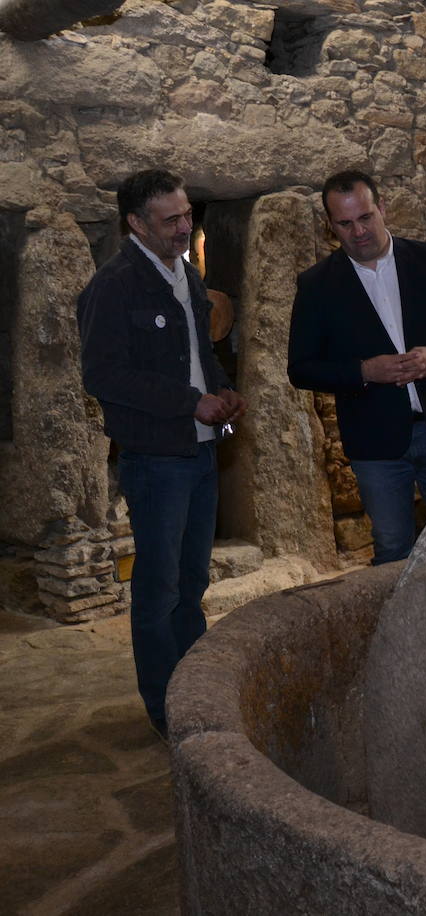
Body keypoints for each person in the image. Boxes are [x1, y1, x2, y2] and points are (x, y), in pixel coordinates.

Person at [77, 169, 248, 740]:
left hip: (200, 455)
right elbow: (103, 375)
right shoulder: (115, 285)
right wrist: (188, 403)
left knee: (193, 580)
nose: (185, 227)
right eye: (171, 219)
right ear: (135, 223)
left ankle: (195, 692)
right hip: (156, 460)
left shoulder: (186, 275)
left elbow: (203, 352)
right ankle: (164, 709)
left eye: (186, 215)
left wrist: (222, 390)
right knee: (160, 590)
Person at [288, 170, 426, 564]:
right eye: (345, 223)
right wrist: (364, 371)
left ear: (382, 208)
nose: (358, 231)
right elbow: (301, 370)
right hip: (375, 441)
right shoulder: (317, 286)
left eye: (365, 217)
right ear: (332, 225)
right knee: (394, 549)